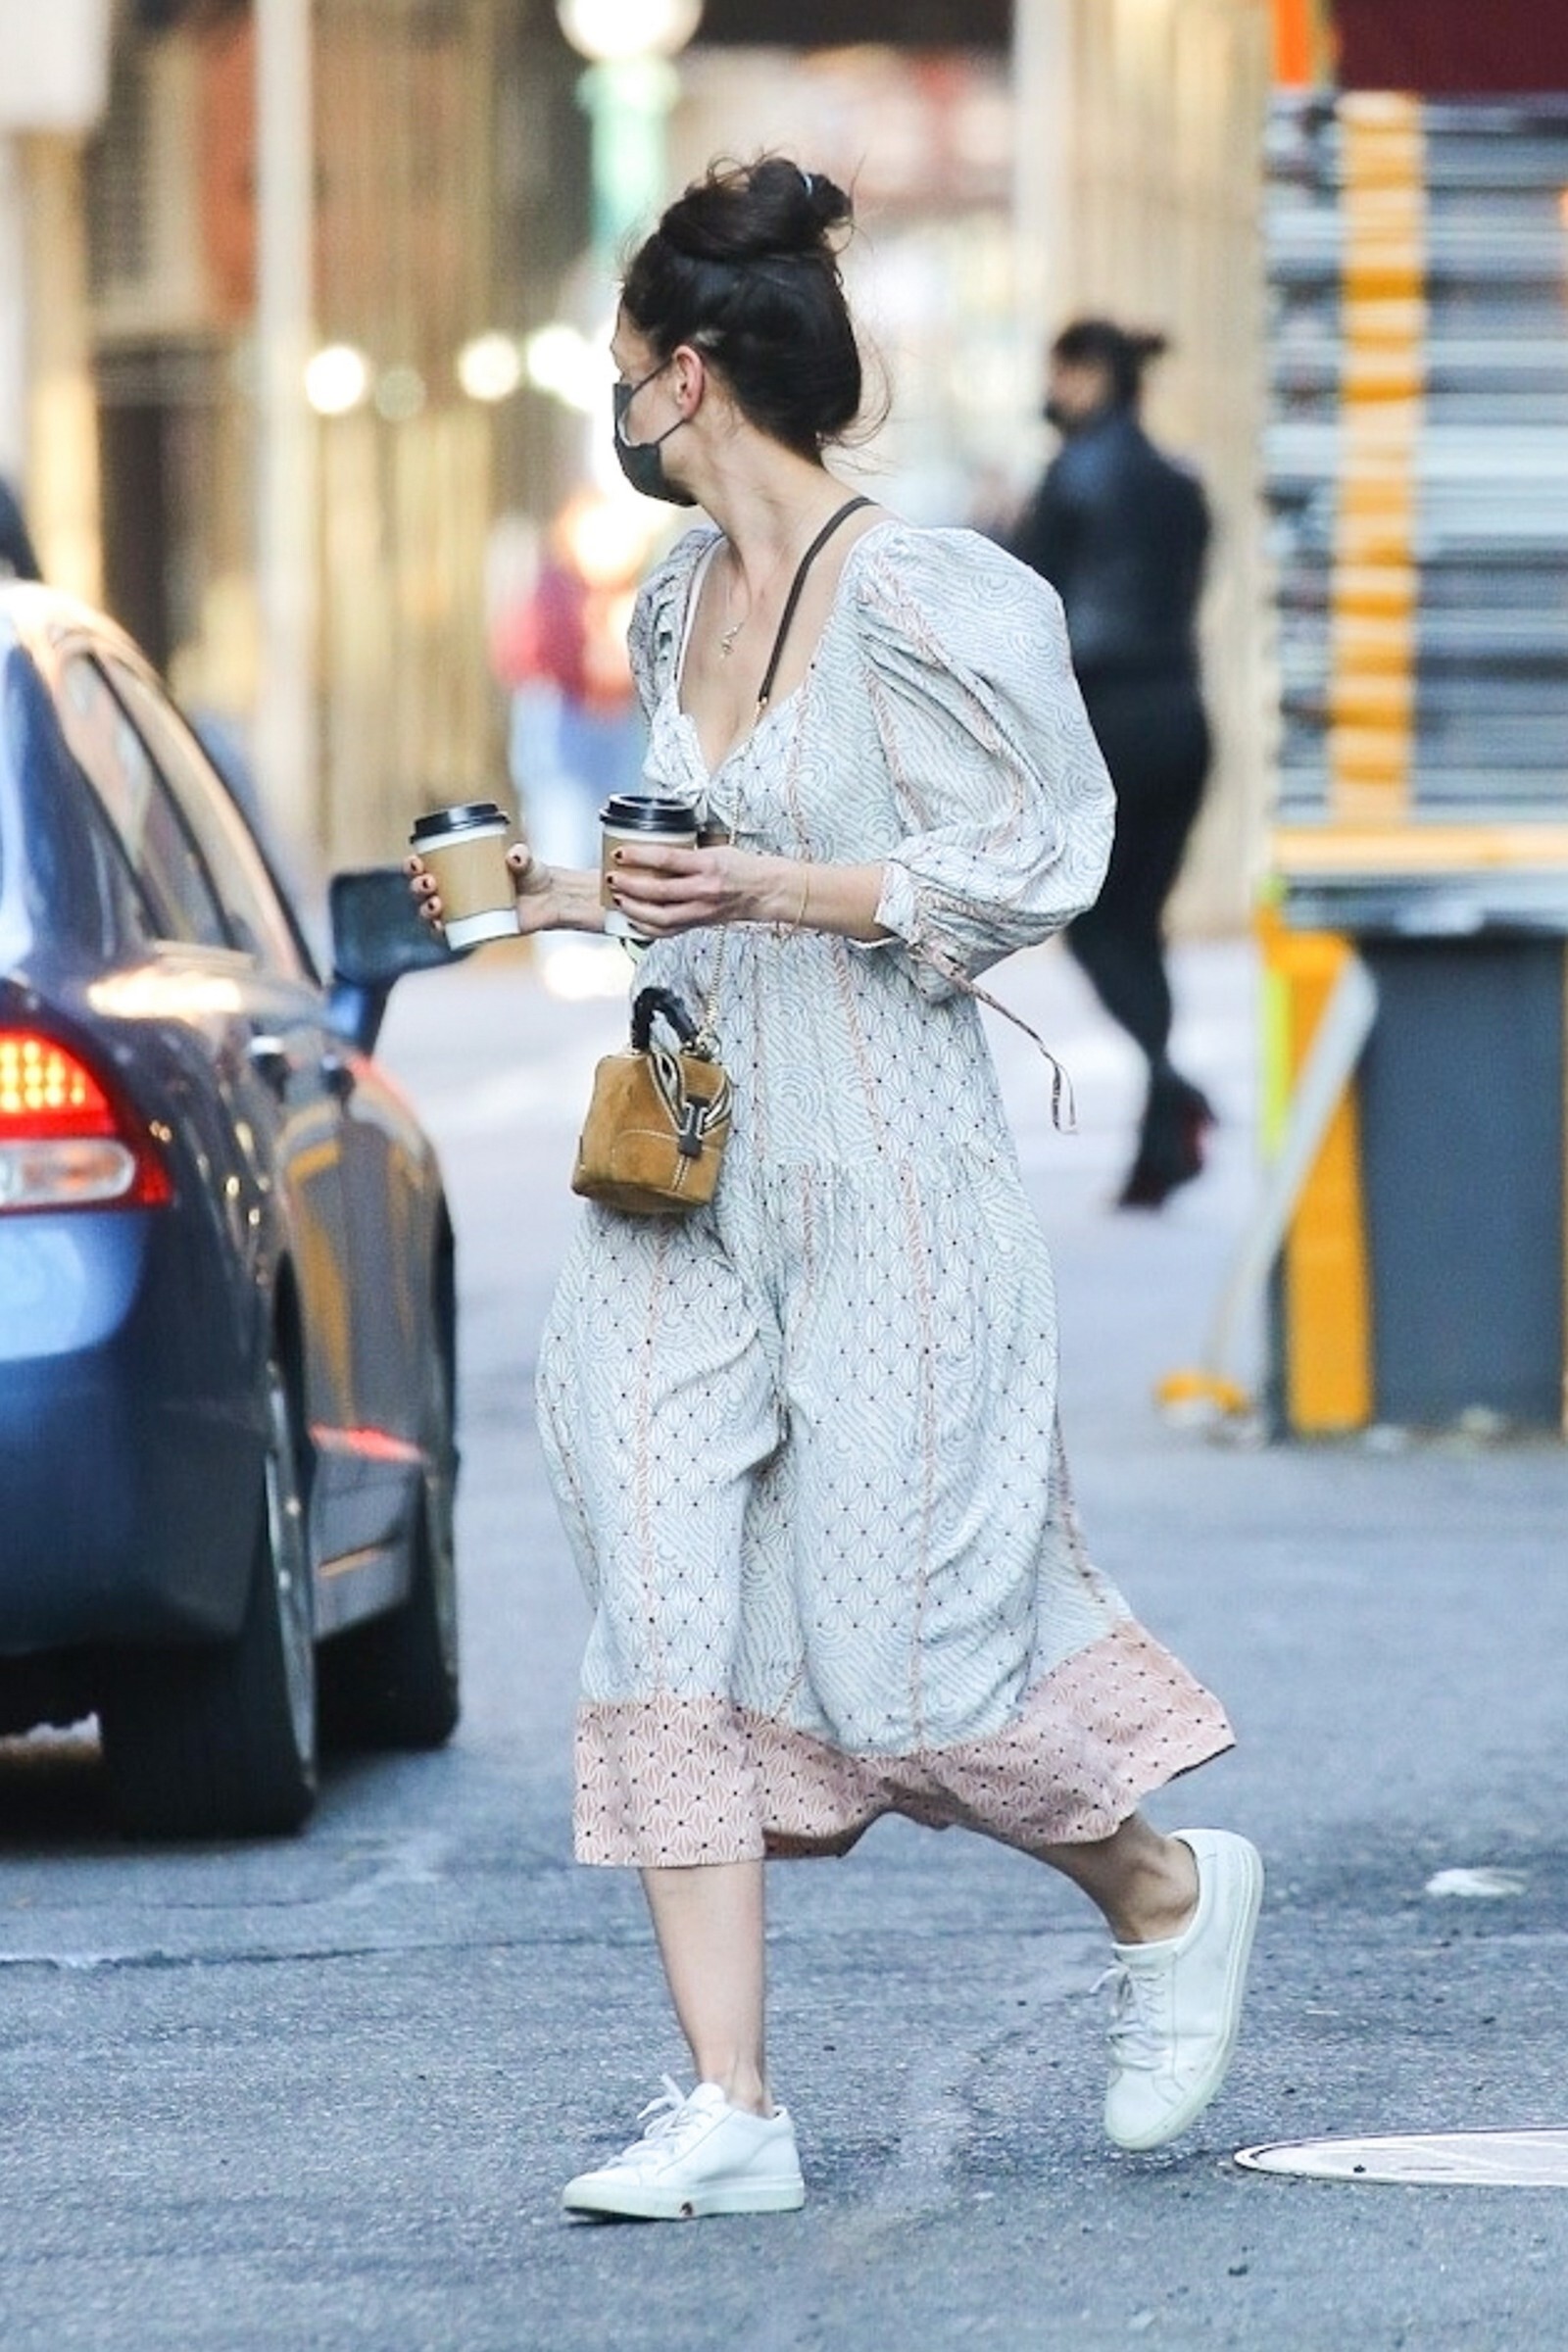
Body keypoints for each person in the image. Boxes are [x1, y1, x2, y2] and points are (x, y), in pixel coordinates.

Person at [411, 159, 1261, 2221]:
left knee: (899, 1671)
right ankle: (732, 2109)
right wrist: (558, 892)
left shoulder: (932, 594)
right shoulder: (674, 596)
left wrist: (774, 882)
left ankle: (1163, 1890)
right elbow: (686, 874)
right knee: (660, 1608)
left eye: (625, 370)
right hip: (678, 1167)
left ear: (687, 377)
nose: (619, 407)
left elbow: (1041, 853)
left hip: (886, 1172)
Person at [1010, 318, 1216, 1208]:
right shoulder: (1181, 485)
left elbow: (1029, 601)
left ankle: (1171, 1086)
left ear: (1090, 374)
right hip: (1181, 716)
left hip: (1110, 722)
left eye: (1059, 374)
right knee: (1139, 926)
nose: (1050, 394)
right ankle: (1162, 1137)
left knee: (1098, 928)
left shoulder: (1072, 477)